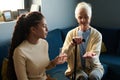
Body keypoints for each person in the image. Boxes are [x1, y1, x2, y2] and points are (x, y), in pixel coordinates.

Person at [7, 11, 67, 80]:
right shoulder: (20, 52)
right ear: (33, 30)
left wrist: (54, 62)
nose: (47, 29)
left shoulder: (44, 43)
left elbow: (43, 68)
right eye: (44, 26)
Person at [61, 2, 104, 80]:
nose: (83, 20)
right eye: (80, 17)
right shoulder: (70, 34)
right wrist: (71, 44)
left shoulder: (97, 35)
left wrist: (92, 56)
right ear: (76, 18)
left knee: (94, 76)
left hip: (94, 67)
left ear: (90, 17)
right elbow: (64, 56)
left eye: (86, 17)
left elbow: (96, 56)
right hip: (76, 69)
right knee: (82, 77)